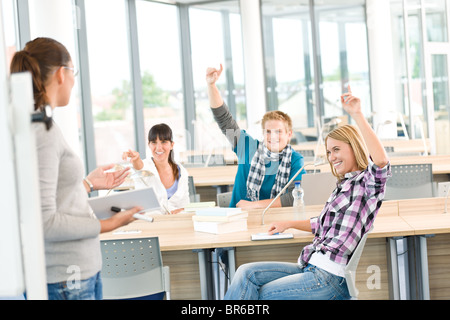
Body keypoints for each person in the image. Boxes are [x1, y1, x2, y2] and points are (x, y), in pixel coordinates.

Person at [224, 86, 391, 300]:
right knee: (246, 274)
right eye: (329, 152)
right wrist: (288, 224)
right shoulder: (343, 184)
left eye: (337, 150)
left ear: (354, 147)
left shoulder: (367, 184)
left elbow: (381, 162)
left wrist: (357, 115)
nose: (332, 157)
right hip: (311, 265)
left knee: (262, 296)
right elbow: (320, 223)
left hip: (329, 277)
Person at [10, 37, 142, 300]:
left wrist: (87, 184)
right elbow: (45, 222)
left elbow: (47, 198)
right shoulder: (41, 131)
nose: (73, 80)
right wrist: (108, 224)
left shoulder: (40, 125)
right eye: (74, 72)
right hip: (66, 278)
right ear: (62, 73)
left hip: (76, 274)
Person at [206, 64, 304, 209]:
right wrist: (211, 85)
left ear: (289, 134)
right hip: (239, 219)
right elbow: (223, 119)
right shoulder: (247, 147)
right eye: (268, 131)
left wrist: (255, 205)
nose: (273, 136)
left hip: (277, 221)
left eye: (278, 131)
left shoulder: (296, 161)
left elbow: (293, 198)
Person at [122, 123, 190, 214]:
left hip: (175, 223)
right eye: (154, 142)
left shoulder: (182, 172)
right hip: (150, 223)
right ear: (149, 145)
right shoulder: (145, 167)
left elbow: (185, 206)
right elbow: (139, 168)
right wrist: (135, 160)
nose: (158, 148)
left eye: (164, 142)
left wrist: (182, 210)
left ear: (171, 145)